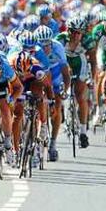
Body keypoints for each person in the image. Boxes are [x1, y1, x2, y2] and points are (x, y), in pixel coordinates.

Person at [8, 51, 54, 164]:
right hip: (16, 83)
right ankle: (15, 150)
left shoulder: (37, 69)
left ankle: (42, 124)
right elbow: (10, 89)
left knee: (39, 95)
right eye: (21, 72)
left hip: (32, 81)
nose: (23, 75)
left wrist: (51, 101)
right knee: (17, 114)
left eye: (26, 72)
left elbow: (47, 86)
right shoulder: (9, 67)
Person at [34, 25, 70, 161]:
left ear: (51, 42)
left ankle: (53, 144)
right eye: (41, 45)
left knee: (58, 103)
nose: (45, 48)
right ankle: (35, 138)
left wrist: (64, 91)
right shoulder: (34, 49)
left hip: (55, 76)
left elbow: (65, 72)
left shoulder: (58, 47)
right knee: (36, 103)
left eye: (47, 44)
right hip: (39, 75)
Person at [55, 16, 91, 148]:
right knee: (59, 89)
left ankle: (82, 132)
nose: (76, 35)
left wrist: (92, 76)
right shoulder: (60, 39)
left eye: (79, 32)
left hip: (79, 63)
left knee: (80, 96)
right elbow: (56, 58)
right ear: (68, 30)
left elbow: (92, 58)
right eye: (73, 31)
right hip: (64, 62)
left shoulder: (87, 40)